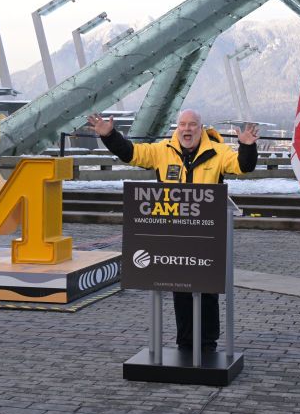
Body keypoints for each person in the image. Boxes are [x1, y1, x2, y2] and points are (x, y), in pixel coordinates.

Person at [88, 108, 259, 352]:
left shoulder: (218, 152)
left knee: (207, 290)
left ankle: (208, 343)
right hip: (174, 233)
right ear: (177, 127)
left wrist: (247, 147)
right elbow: (131, 153)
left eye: (192, 125)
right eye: (182, 124)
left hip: (207, 235)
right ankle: (186, 343)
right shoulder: (162, 150)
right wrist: (109, 135)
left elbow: (244, 166)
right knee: (181, 290)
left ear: (201, 128)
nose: (187, 129)